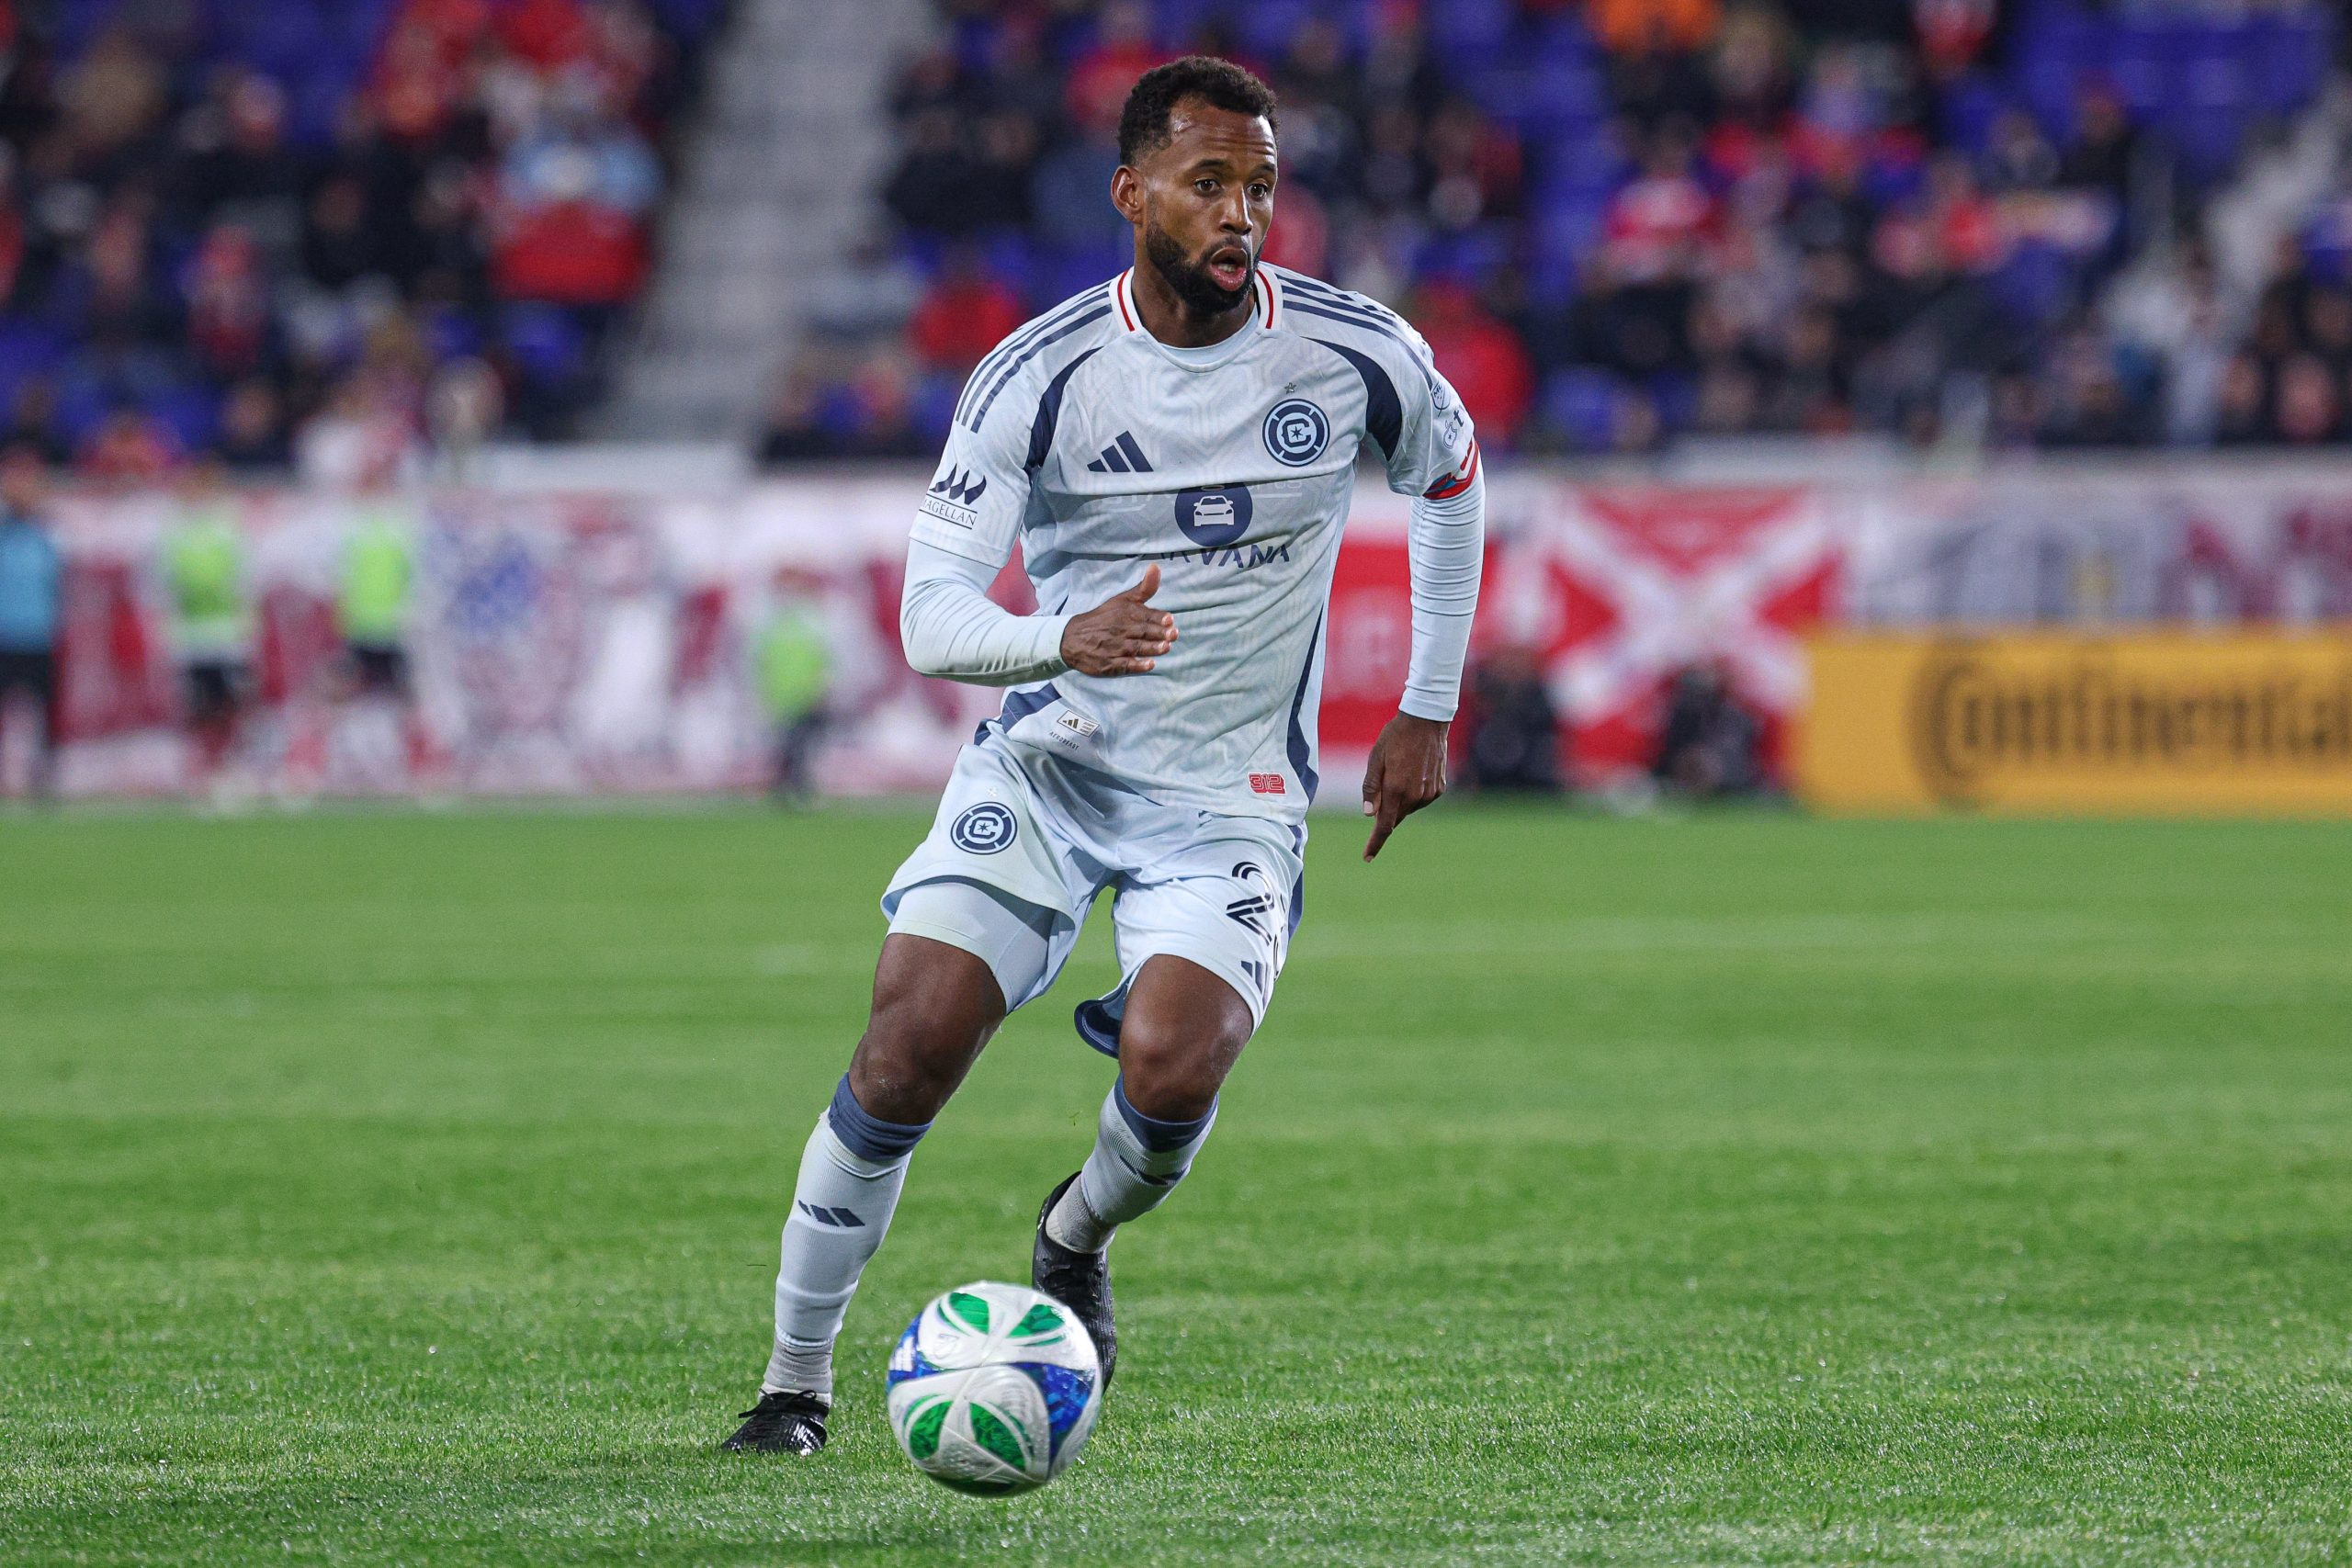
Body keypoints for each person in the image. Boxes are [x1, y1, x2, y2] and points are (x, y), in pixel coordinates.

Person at [723, 57, 1486, 1455]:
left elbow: (1450, 475)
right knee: (908, 1046)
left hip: (1230, 796)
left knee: (1178, 1061)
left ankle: (1073, 1233)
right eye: (1209, 184)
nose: (1241, 213)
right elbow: (930, 613)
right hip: (1054, 768)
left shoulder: (1352, 348)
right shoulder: (1040, 372)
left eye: (1259, 185)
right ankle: (792, 1384)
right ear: (1132, 194)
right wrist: (1061, 637)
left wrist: (1427, 703)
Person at [162, 463, 253, 789]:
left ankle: (230, 766)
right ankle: (204, 767)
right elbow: (161, 586)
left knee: (230, 704)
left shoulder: (229, 530)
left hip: (226, 636)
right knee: (198, 707)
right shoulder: (174, 534)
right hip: (189, 639)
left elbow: (245, 582)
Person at [0, 445, 64, 799]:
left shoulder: (48, 534)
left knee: (44, 713)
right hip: (4, 635)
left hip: (39, 635)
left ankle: (43, 779)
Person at [753, 569, 833, 803]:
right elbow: (762, 663)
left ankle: (794, 788)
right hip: (782, 698)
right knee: (788, 747)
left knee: (798, 747)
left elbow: (824, 662)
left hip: (805, 698)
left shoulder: (812, 622)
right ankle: (791, 789)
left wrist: (821, 691)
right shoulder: (772, 624)